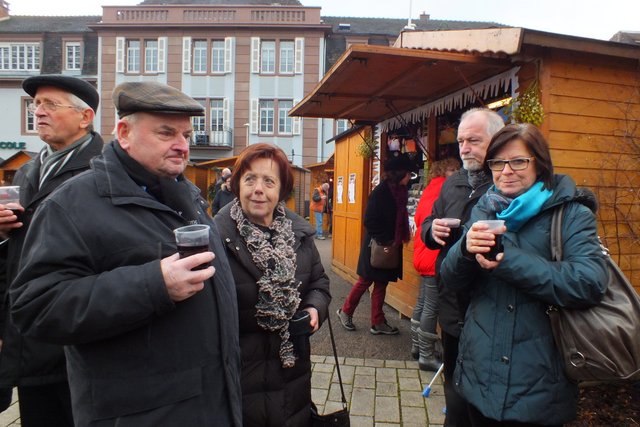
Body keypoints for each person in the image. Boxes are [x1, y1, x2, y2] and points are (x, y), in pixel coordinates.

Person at [9, 81, 242, 427]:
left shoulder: (186, 195)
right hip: (138, 414)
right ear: (124, 133)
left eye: (187, 136)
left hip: (209, 405)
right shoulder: (73, 204)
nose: (181, 146)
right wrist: (154, 284)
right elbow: (36, 306)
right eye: (166, 134)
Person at [440, 123, 608, 426]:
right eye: (497, 162)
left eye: (518, 161)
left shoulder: (570, 213)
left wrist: (509, 261)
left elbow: (589, 283)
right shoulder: (485, 209)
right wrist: (464, 250)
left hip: (540, 383)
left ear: (539, 164)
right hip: (479, 375)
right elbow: (450, 280)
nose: (506, 171)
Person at [0, 75, 104, 427]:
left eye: (50, 105)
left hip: (77, 339)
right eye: (36, 105)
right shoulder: (27, 171)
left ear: (85, 117)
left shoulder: (105, 170)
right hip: (29, 340)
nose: (38, 112)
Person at [214, 143, 331, 427]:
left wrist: (315, 309)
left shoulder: (300, 235)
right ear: (237, 184)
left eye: (269, 181)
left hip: (292, 376)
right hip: (240, 382)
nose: (258, 189)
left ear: (281, 190)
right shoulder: (216, 237)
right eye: (250, 178)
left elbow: (319, 282)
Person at [421, 108, 504, 427]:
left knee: (482, 400)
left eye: (474, 140)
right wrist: (432, 229)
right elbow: (431, 219)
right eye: (460, 141)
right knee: (454, 391)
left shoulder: (506, 183)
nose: (465, 147)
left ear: (496, 141)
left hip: (488, 310)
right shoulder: (452, 182)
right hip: (452, 307)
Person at [336, 153, 414, 335]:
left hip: (389, 245)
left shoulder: (400, 192)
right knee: (365, 281)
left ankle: (377, 322)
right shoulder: (381, 193)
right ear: (399, 174)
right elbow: (369, 220)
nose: (410, 178)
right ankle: (345, 311)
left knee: (382, 283)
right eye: (408, 174)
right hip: (376, 246)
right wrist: (386, 239)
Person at [411, 157, 459, 371]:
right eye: (453, 169)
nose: (457, 172)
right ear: (444, 171)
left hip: (422, 252)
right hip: (433, 254)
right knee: (431, 306)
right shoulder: (446, 191)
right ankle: (426, 356)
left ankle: (416, 347)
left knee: (422, 303)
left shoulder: (429, 189)